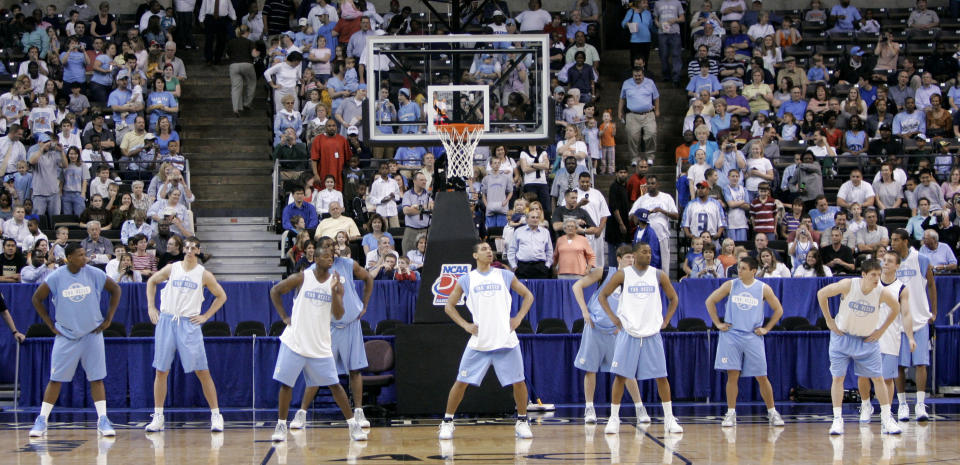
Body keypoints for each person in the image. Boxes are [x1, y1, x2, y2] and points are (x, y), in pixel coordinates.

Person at [267, 247, 368, 442]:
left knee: (335, 386)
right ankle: (281, 425)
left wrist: (335, 292)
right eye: (325, 256)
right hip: (295, 342)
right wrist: (284, 316)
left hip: (320, 345)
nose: (330, 259)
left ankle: (353, 426)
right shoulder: (302, 277)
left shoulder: (335, 283)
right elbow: (275, 291)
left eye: (331, 256)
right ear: (315, 258)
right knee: (286, 385)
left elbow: (338, 314)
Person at [437, 242, 535, 440]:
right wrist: (465, 325)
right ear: (475, 255)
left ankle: (522, 421)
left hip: (506, 340)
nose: (489, 251)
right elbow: (449, 306)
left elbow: (528, 296)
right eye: (483, 249)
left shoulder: (504, 275)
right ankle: (447, 422)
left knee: (519, 381)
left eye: (490, 248)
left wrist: (518, 318)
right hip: (479, 341)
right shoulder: (467, 279)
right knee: (461, 381)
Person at [29, 243, 122, 438]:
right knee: (55, 380)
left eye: (84, 254)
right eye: (80, 255)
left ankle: (103, 419)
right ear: (69, 258)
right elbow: (37, 299)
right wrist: (49, 323)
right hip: (67, 336)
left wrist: (109, 318)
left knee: (97, 379)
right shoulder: (56, 276)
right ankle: (42, 419)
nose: (85, 258)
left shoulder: (93, 273)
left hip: (92, 334)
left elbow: (115, 290)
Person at [288, 236, 375, 430]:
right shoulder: (311, 273)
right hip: (328, 328)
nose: (330, 249)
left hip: (351, 324)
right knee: (317, 373)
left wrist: (365, 305)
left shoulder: (347, 264)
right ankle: (301, 413)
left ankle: (359, 412)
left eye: (333, 246)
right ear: (317, 251)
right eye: (326, 246)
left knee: (355, 370)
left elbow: (368, 278)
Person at [144, 236, 227, 433]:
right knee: (161, 371)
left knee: (202, 371)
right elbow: (152, 281)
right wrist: (150, 307)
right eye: (187, 247)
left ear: (198, 251)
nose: (190, 250)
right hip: (167, 320)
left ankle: (216, 415)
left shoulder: (203, 274)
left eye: (193, 248)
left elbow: (222, 296)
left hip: (189, 323)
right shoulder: (172, 268)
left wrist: (206, 316)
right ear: (184, 250)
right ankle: (158, 416)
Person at [599, 243, 682, 435]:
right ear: (635, 255)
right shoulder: (623, 274)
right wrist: (613, 318)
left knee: (662, 376)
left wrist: (666, 320)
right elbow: (603, 295)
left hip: (652, 332)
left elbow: (674, 298)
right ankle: (613, 418)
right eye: (644, 252)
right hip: (629, 331)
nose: (649, 255)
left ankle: (669, 419)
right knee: (620, 376)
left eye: (650, 252)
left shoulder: (658, 274)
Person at [816, 258, 902, 435]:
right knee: (838, 379)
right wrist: (829, 320)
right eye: (873, 275)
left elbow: (896, 307)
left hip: (866, 341)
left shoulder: (881, 292)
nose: (877, 278)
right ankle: (837, 419)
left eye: (879, 274)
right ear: (863, 275)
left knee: (878, 378)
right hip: (842, 337)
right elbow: (821, 294)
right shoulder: (849, 285)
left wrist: (881, 330)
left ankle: (887, 418)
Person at [706, 255, 786, 427]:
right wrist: (718, 323)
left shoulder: (763, 288)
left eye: (743, 268)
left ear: (753, 271)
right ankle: (731, 413)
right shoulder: (731, 285)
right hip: (731, 335)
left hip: (752, 336)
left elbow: (778, 310)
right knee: (732, 375)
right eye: (739, 268)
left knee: (762, 376)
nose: (739, 271)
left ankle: (772, 412)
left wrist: (767, 328)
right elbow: (710, 301)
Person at [572, 245, 646, 424]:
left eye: (633, 258)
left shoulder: (636, 280)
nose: (631, 261)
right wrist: (584, 311)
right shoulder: (605, 272)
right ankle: (589, 408)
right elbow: (577, 286)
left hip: (616, 332)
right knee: (590, 370)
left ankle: (640, 408)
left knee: (626, 371)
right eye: (628, 257)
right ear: (619, 259)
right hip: (595, 327)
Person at [856, 250, 915, 424]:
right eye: (884, 260)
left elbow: (906, 314)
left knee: (887, 378)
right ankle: (866, 405)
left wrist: (910, 337)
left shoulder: (902, 289)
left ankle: (886, 414)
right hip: (866, 335)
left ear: (898, 266)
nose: (886, 263)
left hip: (890, 337)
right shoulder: (871, 282)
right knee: (863, 375)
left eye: (890, 261)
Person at [891, 228, 937, 422]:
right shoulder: (891, 262)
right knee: (899, 365)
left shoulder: (921, 259)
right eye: (891, 240)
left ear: (905, 241)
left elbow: (932, 285)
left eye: (895, 240)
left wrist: (933, 312)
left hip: (919, 318)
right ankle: (902, 405)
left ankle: (920, 404)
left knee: (921, 363)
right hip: (898, 320)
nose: (892, 243)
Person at [618, 66, 659, 163]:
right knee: (632, 137)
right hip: (632, 114)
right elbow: (622, 98)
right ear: (632, 75)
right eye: (635, 76)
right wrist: (619, 111)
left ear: (643, 74)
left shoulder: (650, 83)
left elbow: (656, 97)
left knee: (652, 133)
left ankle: (650, 156)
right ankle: (634, 158)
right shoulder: (626, 83)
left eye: (639, 75)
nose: (637, 77)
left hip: (648, 114)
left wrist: (657, 110)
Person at [508, 209, 553, 279]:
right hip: (522, 267)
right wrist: (514, 266)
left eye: (537, 217)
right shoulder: (518, 231)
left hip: (540, 268)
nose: (535, 219)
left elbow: (549, 251)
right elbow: (512, 250)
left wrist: (547, 266)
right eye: (533, 217)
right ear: (526, 219)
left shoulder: (545, 232)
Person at [400, 173, 432, 254]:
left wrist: (417, 207)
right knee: (407, 253)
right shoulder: (408, 194)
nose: (424, 182)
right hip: (411, 230)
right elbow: (406, 211)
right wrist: (425, 208)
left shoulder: (428, 194)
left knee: (429, 254)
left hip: (426, 229)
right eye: (421, 180)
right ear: (414, 181)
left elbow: (433, 207)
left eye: (425, 180)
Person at [198, 0, 235, 64]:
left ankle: (218, 59)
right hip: (210, 18)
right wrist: (201, 19)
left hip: (222, 19)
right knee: (209, 39)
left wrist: (234, 18)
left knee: (222, 40)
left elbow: (230, 8)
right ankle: (209, 59)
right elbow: (203, 7)